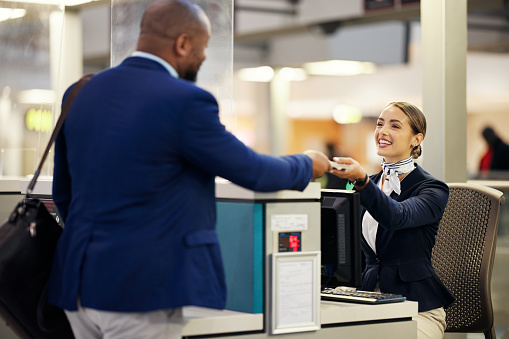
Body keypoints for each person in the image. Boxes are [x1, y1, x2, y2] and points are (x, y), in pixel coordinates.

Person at [47, 0, 331, 338]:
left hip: (76, 283)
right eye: (203, 47)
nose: (204, 57)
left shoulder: (81, 92)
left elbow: (62, 191)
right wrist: (307, 163)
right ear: (182, 43)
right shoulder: (185, 100)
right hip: (140, 289)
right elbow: (253, 171)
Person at [330, 102, 455, 339]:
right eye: (380, 124)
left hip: (418, 308)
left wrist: (363, 182)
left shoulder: (432, 189)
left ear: (416, 140)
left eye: (395, 126)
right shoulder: (369, 185)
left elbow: (398, 216)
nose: (383, 131)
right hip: (368, 302)